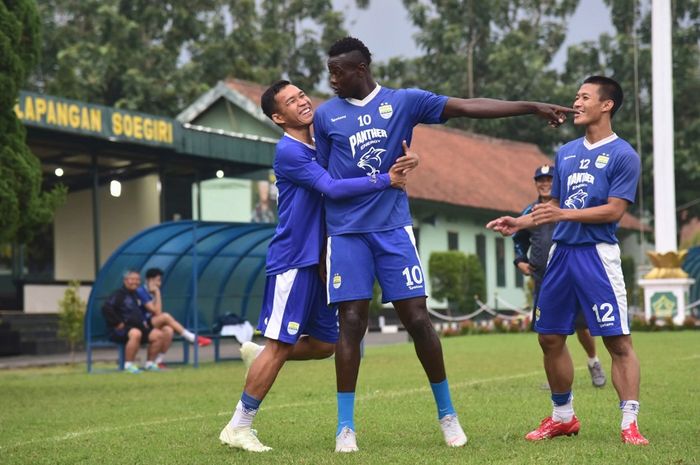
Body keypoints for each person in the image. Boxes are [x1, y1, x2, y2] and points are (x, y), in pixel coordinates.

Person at [312, 36, 576, 453]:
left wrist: (530, 106)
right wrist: (320, 245)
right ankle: (346, 427)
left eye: (338, 71)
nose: (331, 80)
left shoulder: (405, 102)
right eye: (329, 72)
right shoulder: (325, 117)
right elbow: (323, 183)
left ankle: (447, 415)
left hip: (393, 229)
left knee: (418, 319)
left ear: (360, 68)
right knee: (351, 322)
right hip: (345, 233)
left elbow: (469, 105)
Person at [218, 79, 418, 452]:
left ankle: (260, 357)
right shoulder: (290, 152)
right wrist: (386, 179)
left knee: (327, 343)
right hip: (294, 258)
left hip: (320, 259)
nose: (302, 102)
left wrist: (410, 158)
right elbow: (332, 188)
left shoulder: (319, 144)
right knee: (279, 345)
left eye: (302, 95)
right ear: (279, 117)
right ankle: (239, 426)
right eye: (291, 102)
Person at [487, 76, 648, 445]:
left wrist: (561, 216)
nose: (576, 102)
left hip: (597, 256)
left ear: (606, 105)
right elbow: (555, 207)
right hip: (561, 256)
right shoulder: (566, 152)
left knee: (617, 343)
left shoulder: (624, 154)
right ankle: (563, 417)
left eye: (584, 97)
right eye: (576, 96)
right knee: (549, 338)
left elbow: (613, 211)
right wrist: (521, 221)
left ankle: (629, 423)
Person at [513, 165, 606, 388]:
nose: (545, 184)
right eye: (540, 180)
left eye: (550, 180)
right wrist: (520, 262)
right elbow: (518, 238)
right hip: (543, 278)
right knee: (547, 331)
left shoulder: (569, 207)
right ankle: (554, 375)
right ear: (535, 183)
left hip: (573, 274)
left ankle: (593, 362)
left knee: (582, 326)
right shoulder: (530, 211)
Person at [136, 267, 212, 369]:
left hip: (151, 323)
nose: (160, 283)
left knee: (169, 331)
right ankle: (191, 337)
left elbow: (157, 312)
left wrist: (156, 293)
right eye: (158, 280)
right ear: (150, 280)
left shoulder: (152, 292)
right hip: (140, 324)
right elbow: (158, 312)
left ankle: (155, 362)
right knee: (165, 316)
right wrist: (157, 292)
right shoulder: (141, 292)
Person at [101, 270, 169, 373]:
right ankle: (128, 365)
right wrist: (117, 322)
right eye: (132, 279)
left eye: (137, 280)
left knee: (158, 335)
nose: (135, 282)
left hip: (138, 327)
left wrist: (143, 321)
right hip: (121, 330)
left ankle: (150, 364)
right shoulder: (119, 294)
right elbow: (106, 308)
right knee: (136, 334)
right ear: (125, 281)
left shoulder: (136, 294)